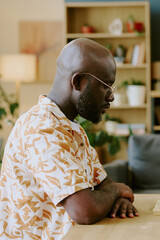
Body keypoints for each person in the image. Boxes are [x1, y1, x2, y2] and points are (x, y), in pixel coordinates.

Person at [0, 38, 139, 240]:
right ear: (78, 82)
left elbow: (104, 185)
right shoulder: (41, 130)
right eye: (106, 86)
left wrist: (114, 195)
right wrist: (118, 190)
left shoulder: (71, 128)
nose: (111, 97)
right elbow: (84, 210)